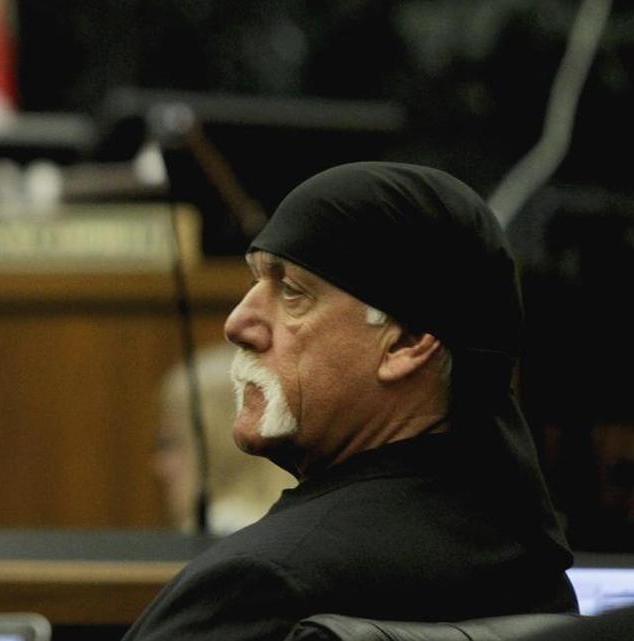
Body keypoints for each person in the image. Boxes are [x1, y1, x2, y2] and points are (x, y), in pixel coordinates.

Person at [123, 162, 578, 641]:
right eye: (255, 282)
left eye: (292, 292)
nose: (238, 322)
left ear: (406, 343)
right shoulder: (537, 572)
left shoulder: (258, 587)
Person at [154, 343, 296, 536]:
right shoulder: (293, 525)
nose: (160, 465)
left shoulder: (217, 536)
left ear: (219, 447)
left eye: (173, 443)